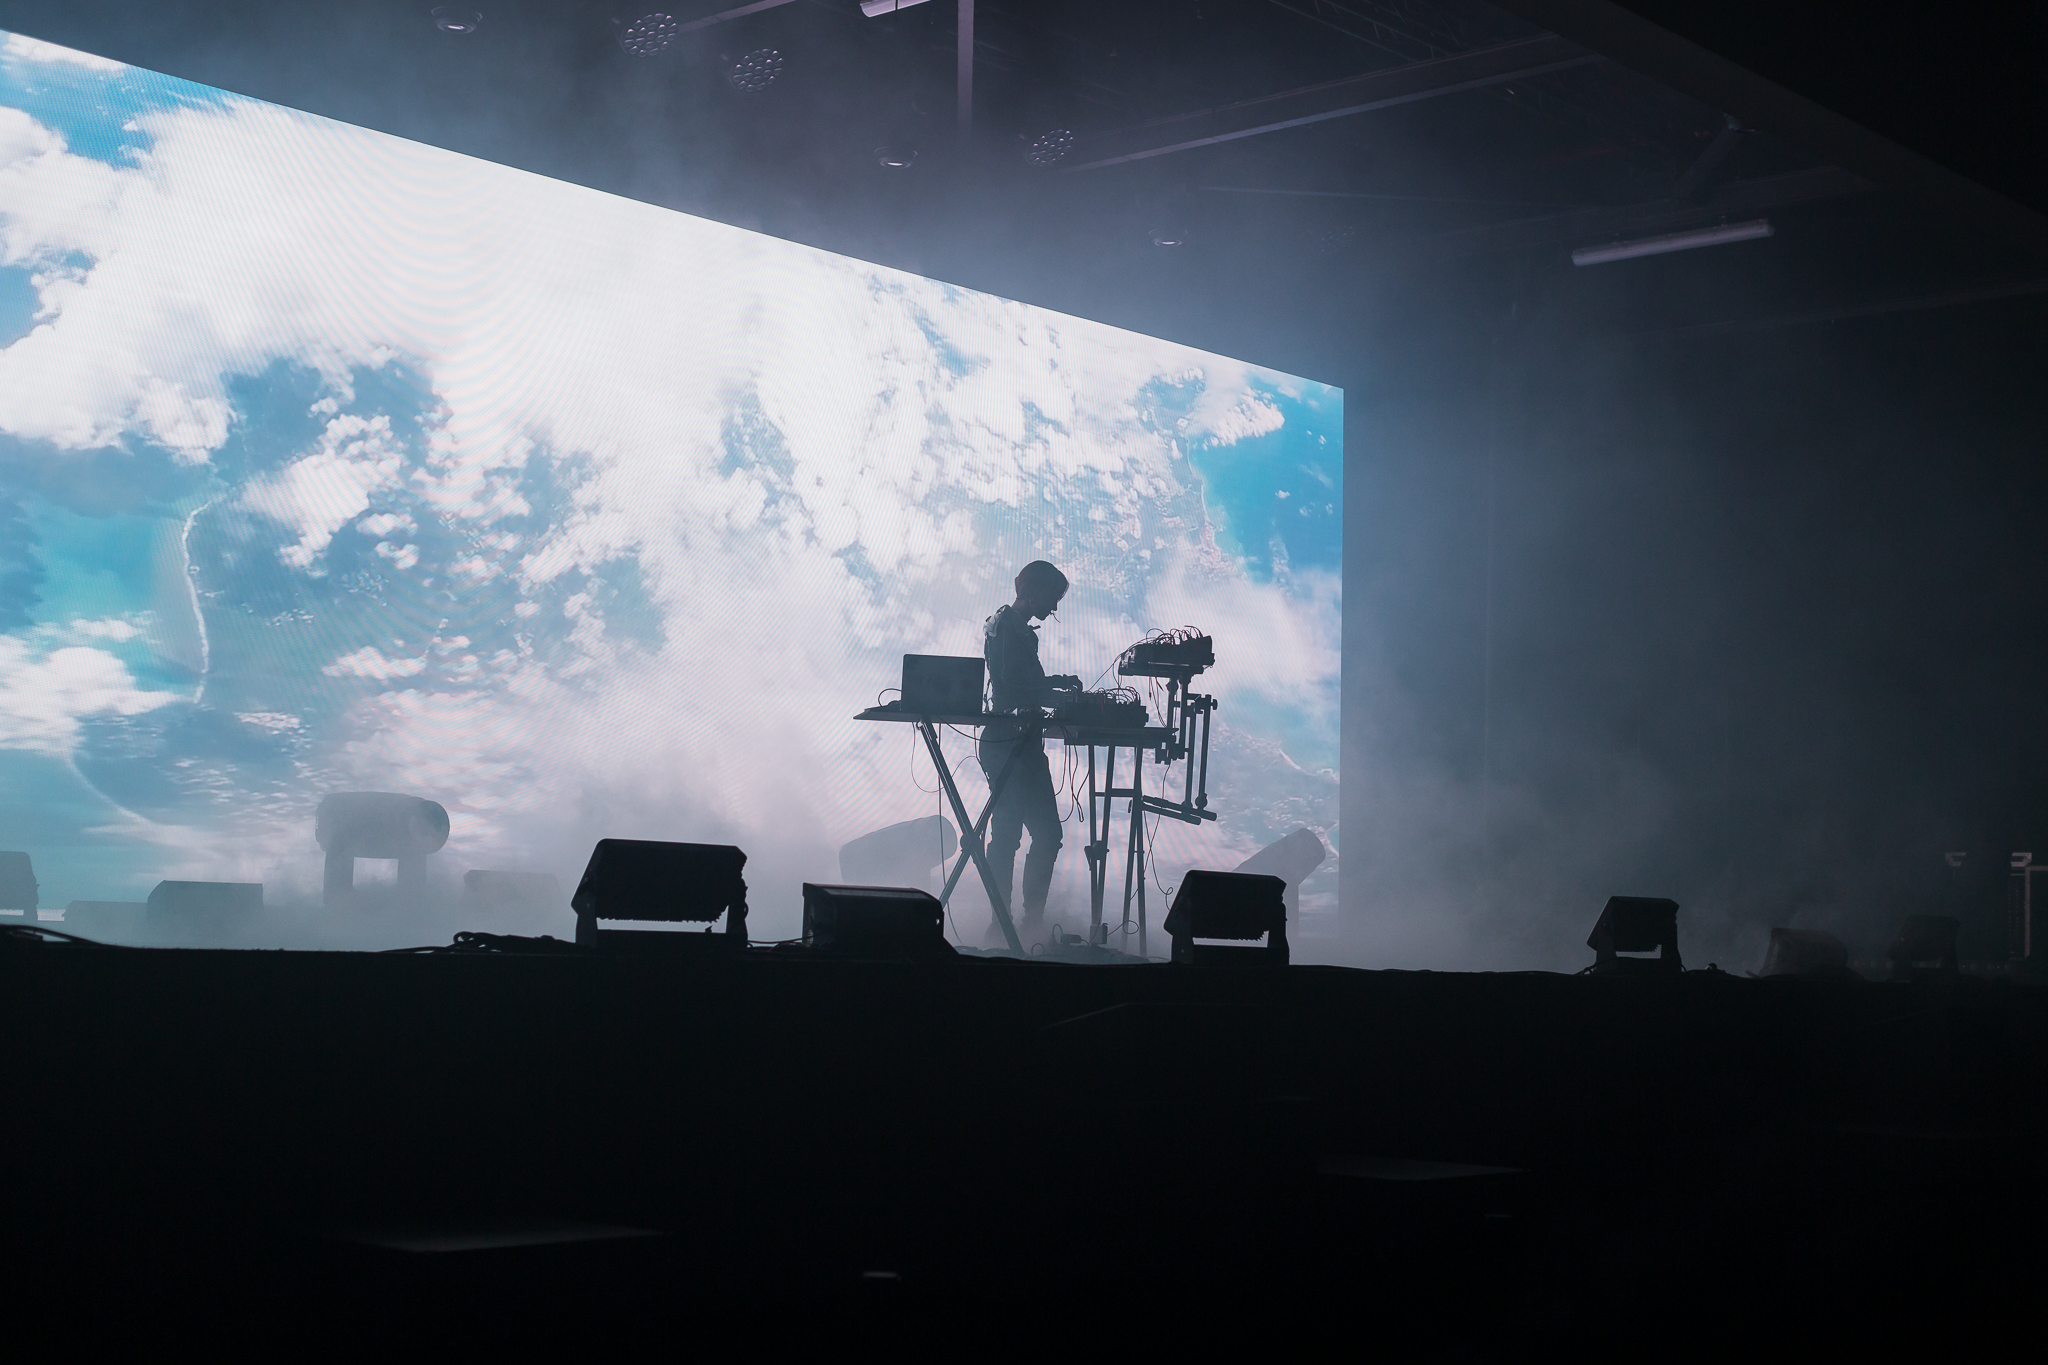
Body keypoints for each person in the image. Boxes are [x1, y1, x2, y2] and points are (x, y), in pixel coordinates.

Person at [979, 560, 1080, 941]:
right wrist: (1056, 694)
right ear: (1033, 593)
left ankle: (1020, 921)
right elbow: (1014, 683)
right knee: (1013, 836)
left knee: (1038, 835)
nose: (1053, 608)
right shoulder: (1008, 626)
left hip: (1018, 743)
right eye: (1052, 599)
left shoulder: (1010, 625)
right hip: (1009, 743)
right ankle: (1005, 923)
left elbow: (1021, 682)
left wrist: (1054, 686)